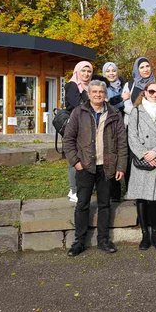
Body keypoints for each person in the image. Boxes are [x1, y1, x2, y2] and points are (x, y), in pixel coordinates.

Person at [63, 80, 127, 256]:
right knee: (82, 204)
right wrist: (75, 161)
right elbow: (68, 140)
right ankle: (79, 241)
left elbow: (122, 143)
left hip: (107, 166)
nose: (98, 94)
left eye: (101, 92)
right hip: (85, 165)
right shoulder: (79, 112)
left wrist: (121, 166)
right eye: (95, 92)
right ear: (89, 94)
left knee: (104, 204)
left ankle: (103, 240)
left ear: (105, 94)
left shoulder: (114, 114)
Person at [126, 80, 156, 251]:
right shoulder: (136, 112)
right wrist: (145, 154)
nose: (155, 95)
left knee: (155, 200)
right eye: (151, 91)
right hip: (142, 159)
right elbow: (132, 136)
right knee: (142, 198)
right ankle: (145, 235)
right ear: (145, 92)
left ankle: (155, 233)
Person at [64, 61, 94, 204]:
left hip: (88, 126)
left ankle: (83, 186)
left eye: (89, 71)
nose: (86, 74)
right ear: (77, 71)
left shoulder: (91, 87)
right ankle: (73, 189)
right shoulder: (72, 85)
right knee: (74, 157)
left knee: (86, 155)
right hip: (75, 126)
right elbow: (77, 105)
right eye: (83, 71)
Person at [103, 62, 128, 202]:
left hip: (125, 121)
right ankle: (114, 192)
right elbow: (107, 104)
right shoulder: (103, 87)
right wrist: (121, 99)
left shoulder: (124, 85)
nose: (111, 73)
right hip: (111, 123)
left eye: (113, 71)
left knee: (123, 154)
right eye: (108, 71)